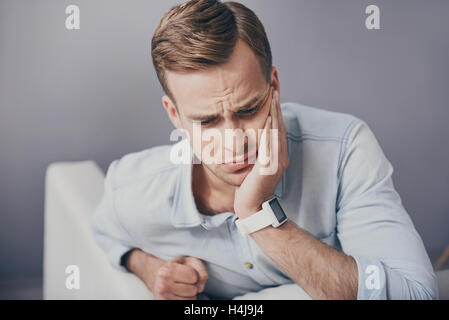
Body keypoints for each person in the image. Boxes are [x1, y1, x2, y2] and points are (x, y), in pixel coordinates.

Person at [91, 0, 438, 300]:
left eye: (248, 110)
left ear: (273, 86)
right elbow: (104, 231)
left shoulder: (344, 151)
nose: (235, 142)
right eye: (207, 121)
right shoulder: (135, 188)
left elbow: (415, 294)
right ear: (174, 115)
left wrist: (258, 216)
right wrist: (147, 268)